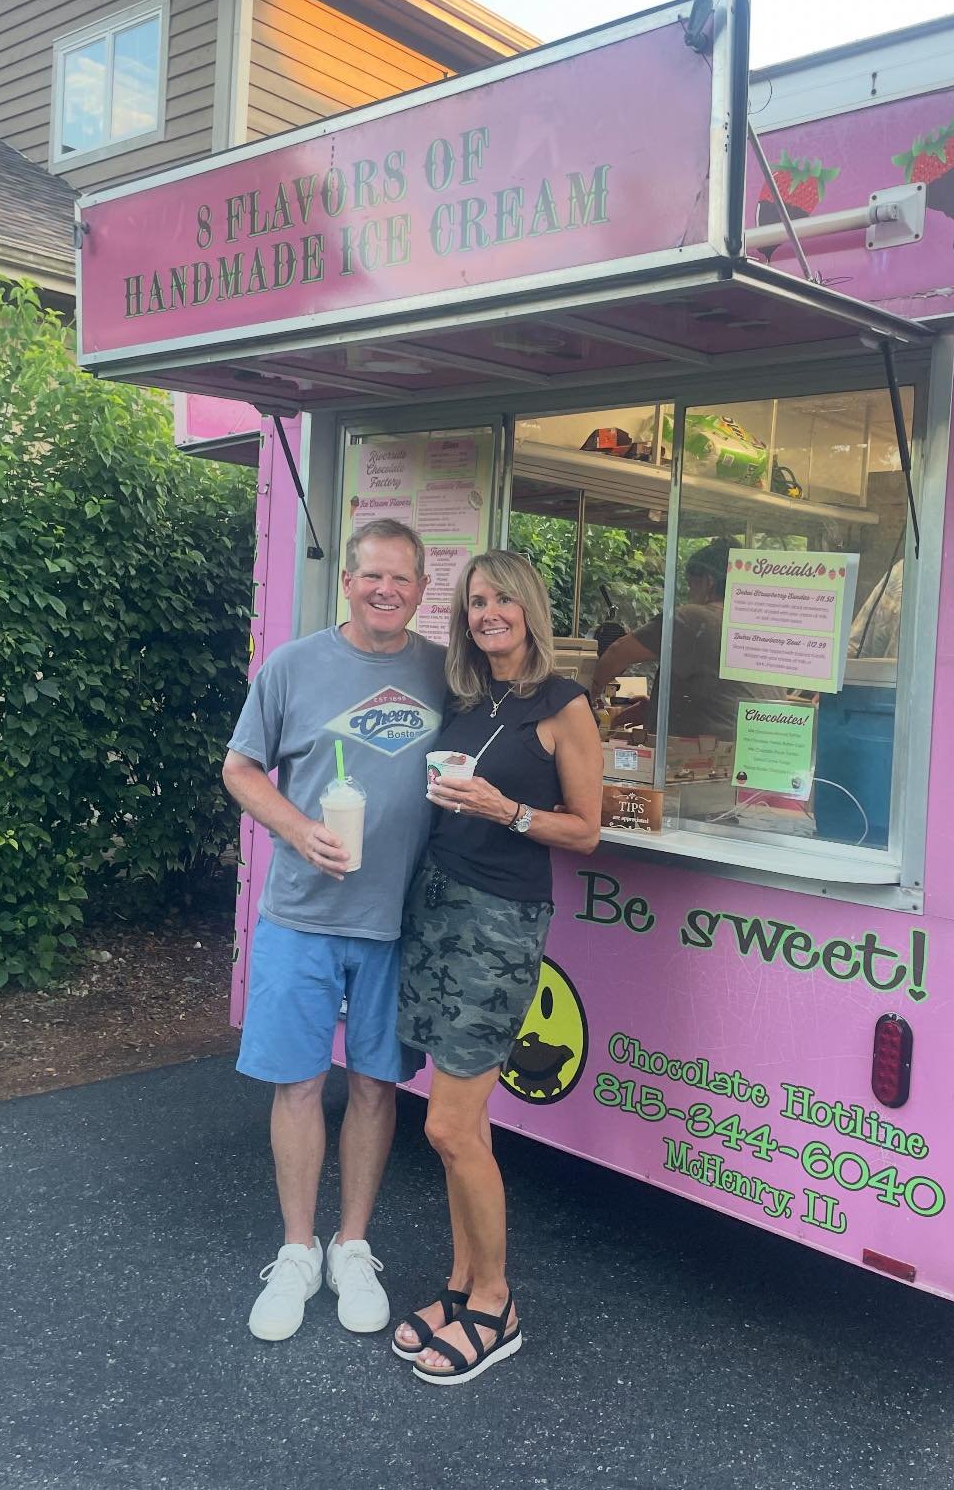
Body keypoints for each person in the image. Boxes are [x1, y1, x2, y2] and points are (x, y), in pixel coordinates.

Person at [222, 519, 445, 1344]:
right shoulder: (292, 667)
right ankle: (295, 1249)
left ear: (424, 591)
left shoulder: (438, 672)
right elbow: (240, 766)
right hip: (303, 917)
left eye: (403, 579)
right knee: (299, 1083)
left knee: (379, 1085)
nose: (386, 590)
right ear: (346, 582)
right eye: (372, 576)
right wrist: (293, 827)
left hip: (396, 922)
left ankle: (353, 1244)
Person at [391, 550, 602, 1385]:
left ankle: (497, 1303)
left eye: (503, 599)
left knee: (447, 1124)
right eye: (477, 601)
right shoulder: (467, 697)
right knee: (461, 1128)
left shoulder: (562, 704)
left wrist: (508, 810)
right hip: (435, 908)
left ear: (529, 609)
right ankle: (459, 1281)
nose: (489, 613)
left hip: (500, 922)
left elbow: (586, 830)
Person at [588, 536, 775, 736]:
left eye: (690, 584)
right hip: (753, 746)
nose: (688, 591)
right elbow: (724, 695)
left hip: (712, 753)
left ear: (708, 582)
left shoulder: (695, 618)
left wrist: (587, 700)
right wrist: (656, 710)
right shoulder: (755, 626)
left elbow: (618, 652)